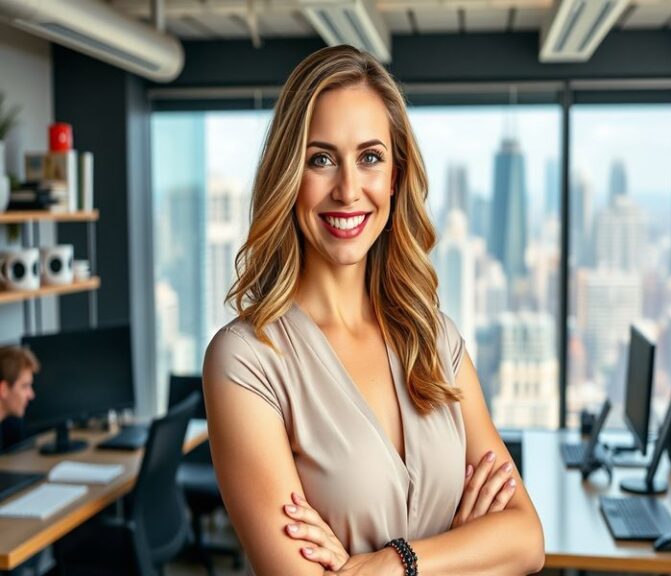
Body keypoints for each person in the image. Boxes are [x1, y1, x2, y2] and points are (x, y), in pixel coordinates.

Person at [203, 45, 544, 576]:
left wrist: (390, 564)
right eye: (320, 159)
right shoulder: (247, 362)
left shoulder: (434, 339)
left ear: (395, 174)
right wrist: (466, 548)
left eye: (369, 158)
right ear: (289, 176)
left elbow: (526, 541)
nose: (347, 189)